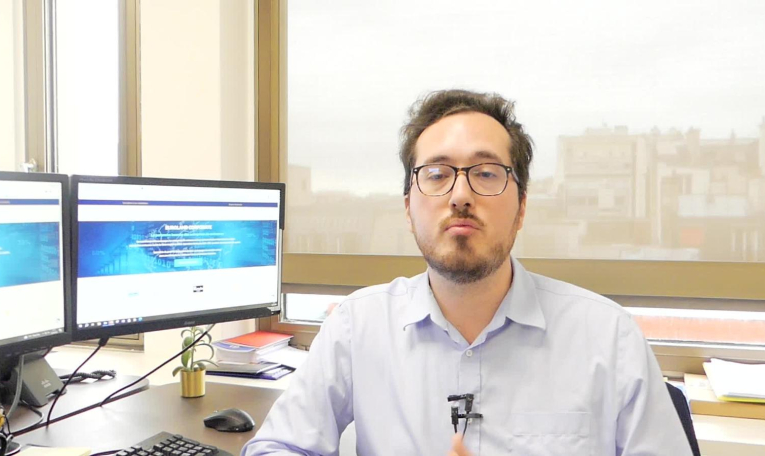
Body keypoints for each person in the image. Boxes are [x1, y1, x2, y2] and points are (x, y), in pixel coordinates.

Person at [242, 89, 693, 455]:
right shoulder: (357, 326)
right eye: (437, 174)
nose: (460, 194)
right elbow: (277, 447)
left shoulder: (607, 337)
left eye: (487, 173)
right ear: (408, 208)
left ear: (521, 207)